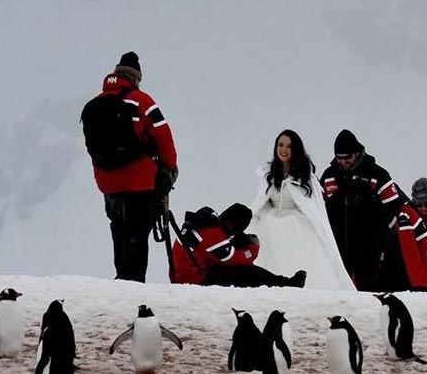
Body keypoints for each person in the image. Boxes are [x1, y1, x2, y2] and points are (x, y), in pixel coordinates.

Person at [90, 51, 178, 282]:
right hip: (139, 182)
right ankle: (134, 284)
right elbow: (163, 136)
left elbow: (94, 150)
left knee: (119, 232)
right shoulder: (142, 100)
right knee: (137, 235)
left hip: (108, 184)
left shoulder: (96, 104)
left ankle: (122, 279)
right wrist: (169, 169)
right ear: (136, 77)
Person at [248, 130, 354, 290]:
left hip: (297, 223)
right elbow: (261, 200)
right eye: (280, 145)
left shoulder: (305, 177)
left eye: (288, 146)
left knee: (292, 231)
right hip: (271, 221)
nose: (283, 149)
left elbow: (312, 207)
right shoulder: (267, 174)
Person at [320, 129, 401, 291]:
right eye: (339, 158)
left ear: (357, 153)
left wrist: (382, 239)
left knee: (369, 292)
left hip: (370, 249)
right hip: (338, 247)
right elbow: (318, 209)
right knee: (338, 292)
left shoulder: (377, 174)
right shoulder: (329, 176)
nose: (343, 162)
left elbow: (396, 209)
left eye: (347, 157)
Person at [170, 203, 307, 288]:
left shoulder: (204, 225)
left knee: (239, 270)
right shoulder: (213, 234)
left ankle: (283, 283)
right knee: (244, 272)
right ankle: (286, 284)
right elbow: (235, 259)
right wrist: (252, 249)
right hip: (194, 281)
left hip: (186, 275)